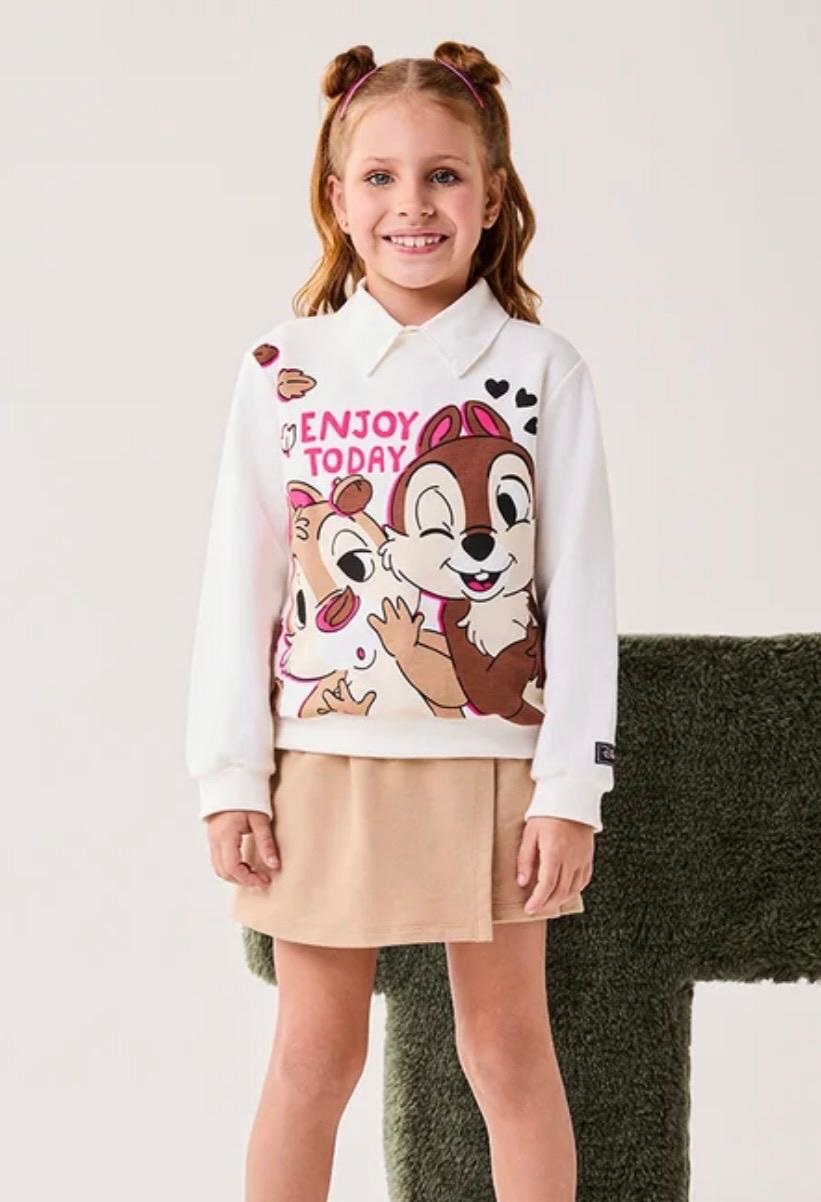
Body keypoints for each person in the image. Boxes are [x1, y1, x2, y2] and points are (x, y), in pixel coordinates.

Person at [185, 40, 618, 1202]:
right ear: (337, 197)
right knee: (313, 1057)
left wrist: (569, 788)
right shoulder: (284, 368)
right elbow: (241, 581)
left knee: (509, 1053)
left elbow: (581, 588)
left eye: (443, 176)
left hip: (493, 765)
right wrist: (231, 774)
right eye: (380, 177)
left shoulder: (542, 370)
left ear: (491, 197)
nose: (412, 204)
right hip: (324, 761)